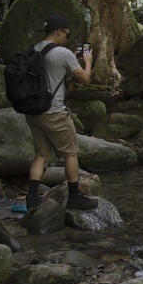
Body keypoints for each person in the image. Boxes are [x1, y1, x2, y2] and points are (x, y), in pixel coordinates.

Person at [25, 16, 98, 211]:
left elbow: (51, 71)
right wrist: (87, 61)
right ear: (58, 32)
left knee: (41, 155)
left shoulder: (35, 48)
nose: (66, 36)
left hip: (33, 112)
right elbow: (84, 79)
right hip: (54, 112)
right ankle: (75, 196)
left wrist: (71, 58)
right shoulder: (63, 53)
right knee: (71, 153)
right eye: (66, 33)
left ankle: (31, 199)